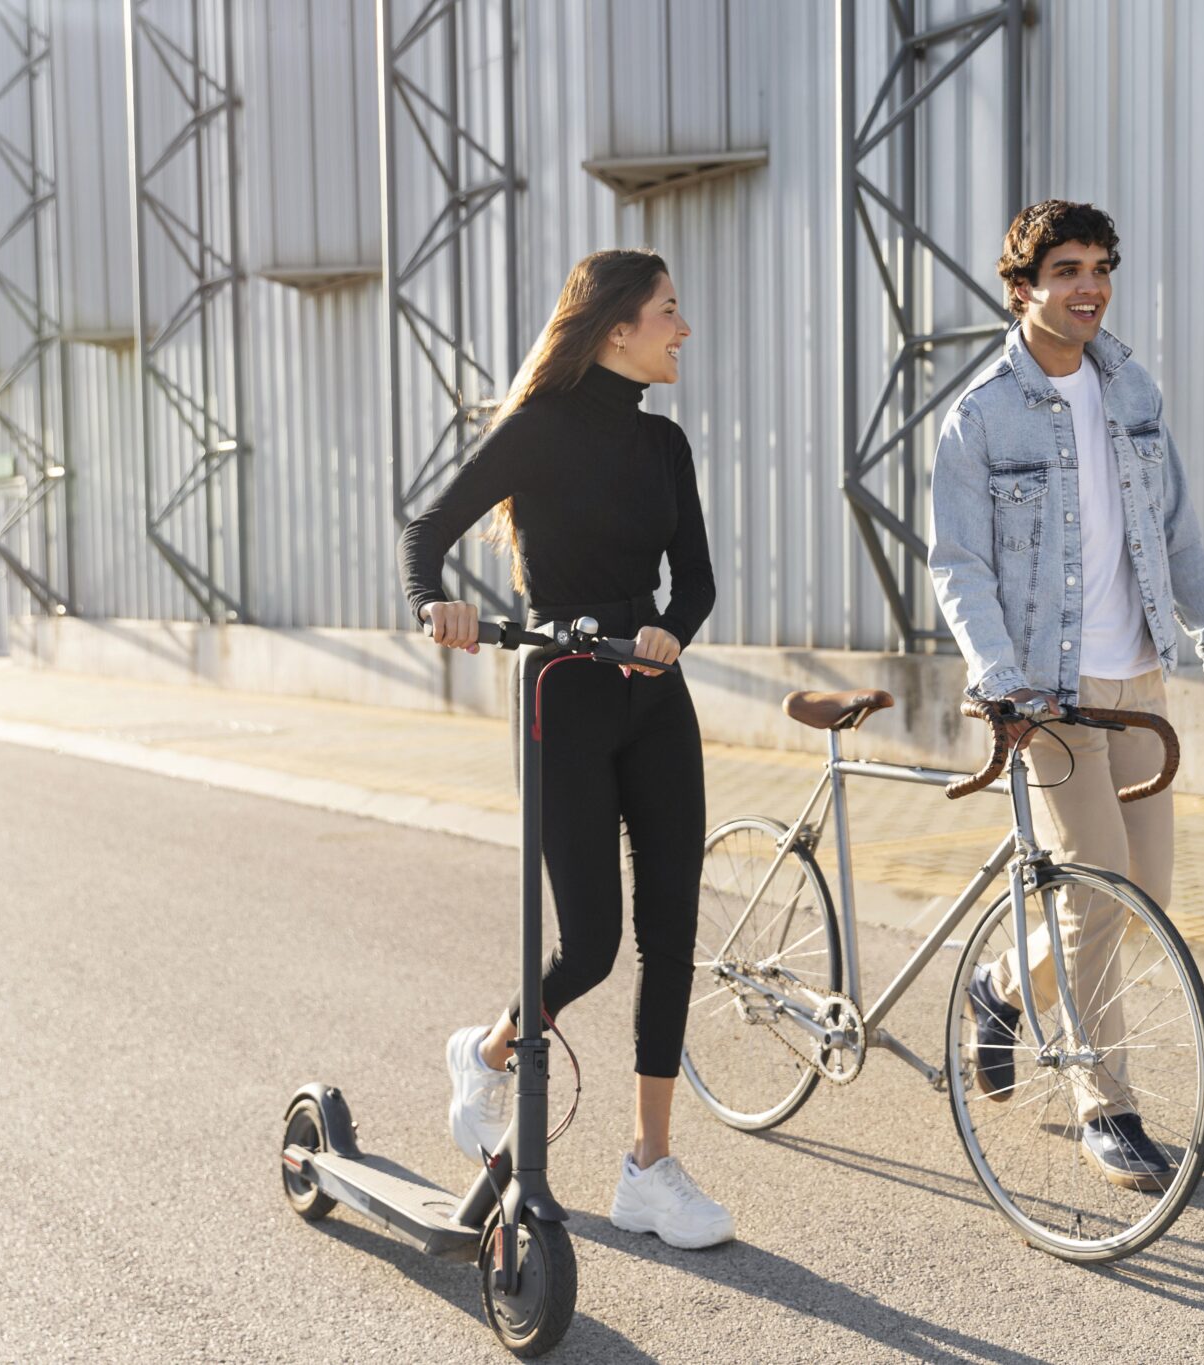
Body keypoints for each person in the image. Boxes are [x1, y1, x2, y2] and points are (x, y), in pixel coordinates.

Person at [397, 249, 733, 1250]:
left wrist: (674, 628)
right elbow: (427, 535)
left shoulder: (664, 446)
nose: (682, 329)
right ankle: (490, 1050)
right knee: (589, 941)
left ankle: (648, 1168)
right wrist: (435, 605)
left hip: (651, 690)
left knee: (670, 929)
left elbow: (698, 582)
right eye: (669, 311)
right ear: (616, 327)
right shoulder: (535, 433)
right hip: (560, 686)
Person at [927, 200, 1204, 1190]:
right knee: (1092, 892)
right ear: (1020, 287)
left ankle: (997, 988)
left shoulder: (1129, 387)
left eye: (1099, 267)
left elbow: (1177, 529)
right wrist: (1002, 683)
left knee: (1142, 895)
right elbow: (957, 565)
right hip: (1045, 693)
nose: (1088, 287)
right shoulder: (980, 413)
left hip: (1137, 678)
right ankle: (1102, 1104)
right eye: (1065, 269)